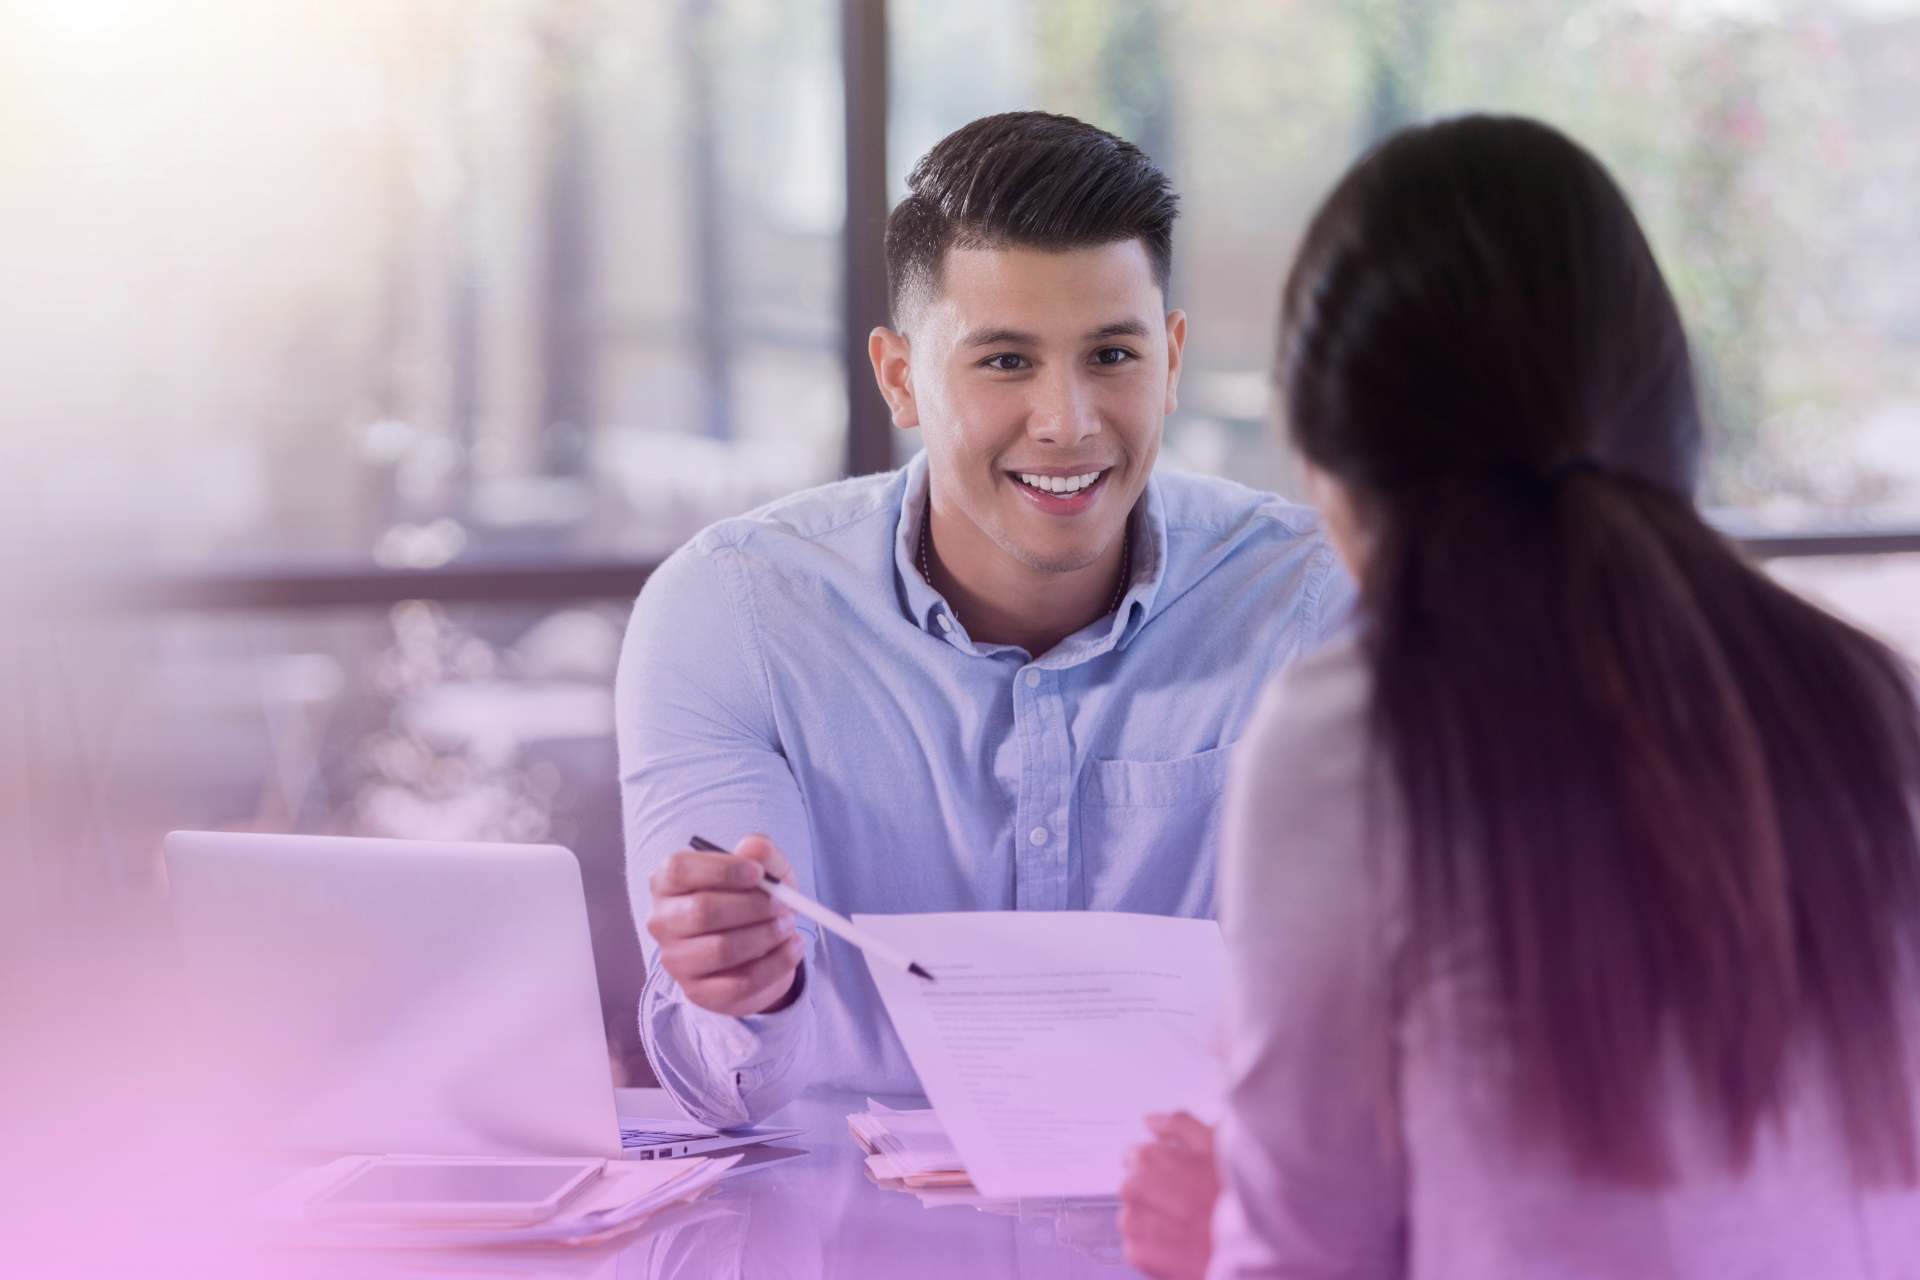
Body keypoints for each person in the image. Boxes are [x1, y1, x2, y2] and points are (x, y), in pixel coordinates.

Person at [1125, 112, 1920, 1278]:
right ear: (1669, 416)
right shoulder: (1872, 701)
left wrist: (1215, 1237)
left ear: (1331, 467)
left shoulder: (1359, 736)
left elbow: (1302, 1258)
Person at [616, 112, 1353, 1127]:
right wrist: (749, 988)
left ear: (1173, 359)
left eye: (1111, 354)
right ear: (898, 376)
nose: (1067, 421)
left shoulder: (1315, 605)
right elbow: (727, 1085)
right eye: (1005, 361)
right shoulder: (733, 615)